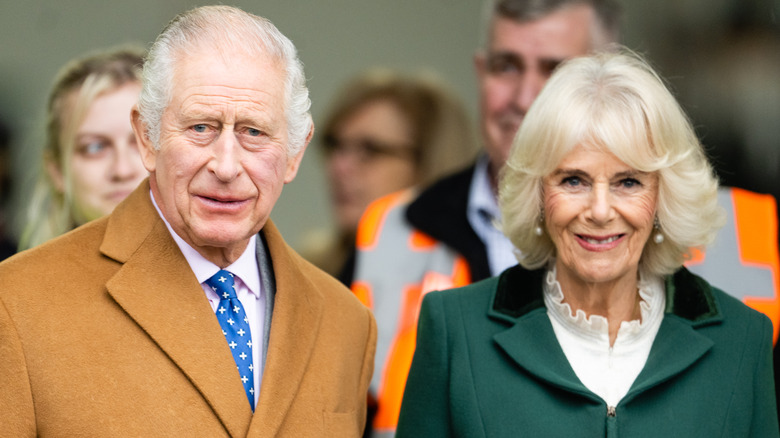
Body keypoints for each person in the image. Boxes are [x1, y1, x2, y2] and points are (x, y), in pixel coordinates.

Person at [0, 5, 375, 437]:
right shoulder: (19, 304)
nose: (227, 165)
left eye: (254, 132)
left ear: (295, 151)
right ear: (147, 138)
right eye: (201, 127)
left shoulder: (346, 322)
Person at [396, 49, 778, 437]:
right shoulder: (454, 330)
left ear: (664, 197)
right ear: (539, 194)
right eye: (573, 180)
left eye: (628, 182)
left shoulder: (743, 340)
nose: (599, 211)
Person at [350, 1, 621, 435]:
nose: (524, 98)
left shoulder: (687, 231)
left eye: (555, 70)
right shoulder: (391, 229)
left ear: (611, 83)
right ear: (480, 71)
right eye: (506, 66)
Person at [303, 69, 476, 284]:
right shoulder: (303, 272)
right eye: (335, 145)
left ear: (427, 164)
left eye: (369, 149)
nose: (339, 166)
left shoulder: (471, 279)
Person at [19, 47, 148, 250]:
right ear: (57, 170)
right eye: (95, 147)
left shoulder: (213, 278)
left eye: (145, 139)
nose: (122, 170)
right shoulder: (19, 280)